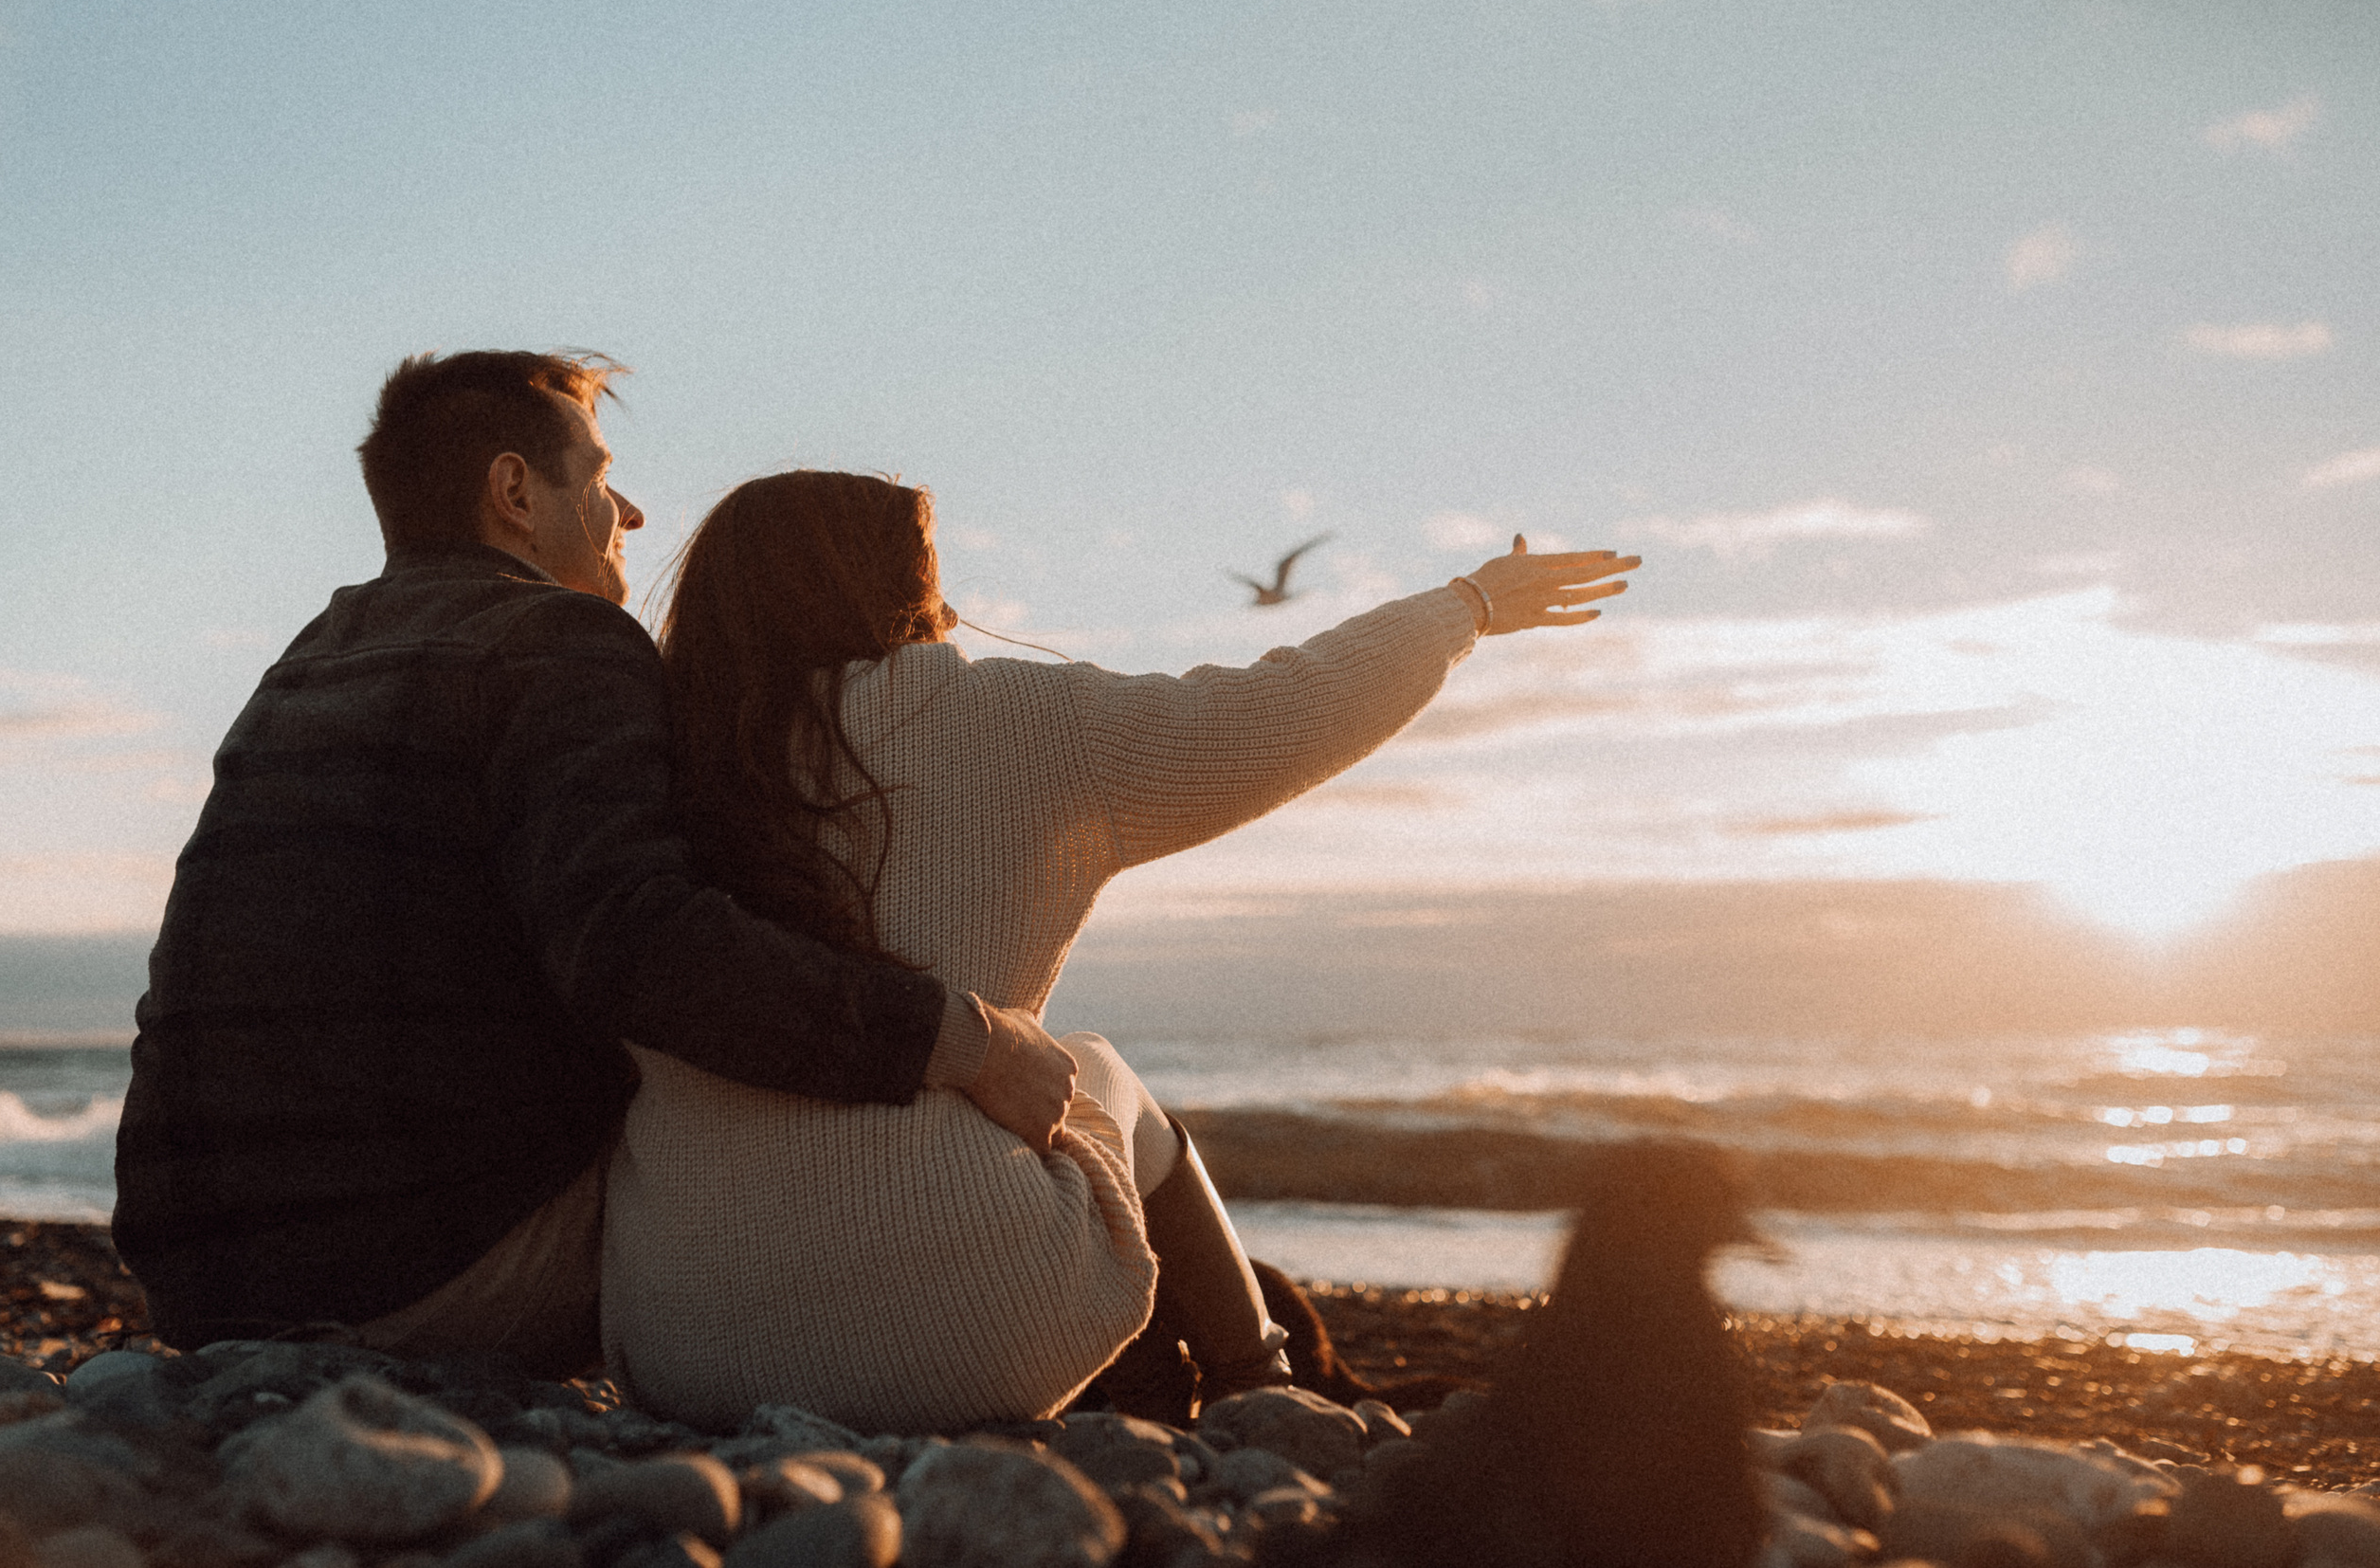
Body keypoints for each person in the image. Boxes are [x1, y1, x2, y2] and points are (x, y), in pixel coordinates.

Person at [601, 470, 1638, 1432]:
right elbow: (1288, 703)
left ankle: (1195, 1383)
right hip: (965, 1339)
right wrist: (1468, 605)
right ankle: (1260, 1379)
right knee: (1097, 1071)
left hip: (681, 1348)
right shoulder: (1019, 719)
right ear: (901, 584)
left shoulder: (648, 761)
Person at [113, 353, 1073, 1376]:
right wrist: (957, 1042)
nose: (632, 513)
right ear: (516, 491)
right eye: (602, 474)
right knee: (862, 1160)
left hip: (202, 1282)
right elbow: (642, 947)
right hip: (420, 1279)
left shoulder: (309, 660)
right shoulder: (562, 638)